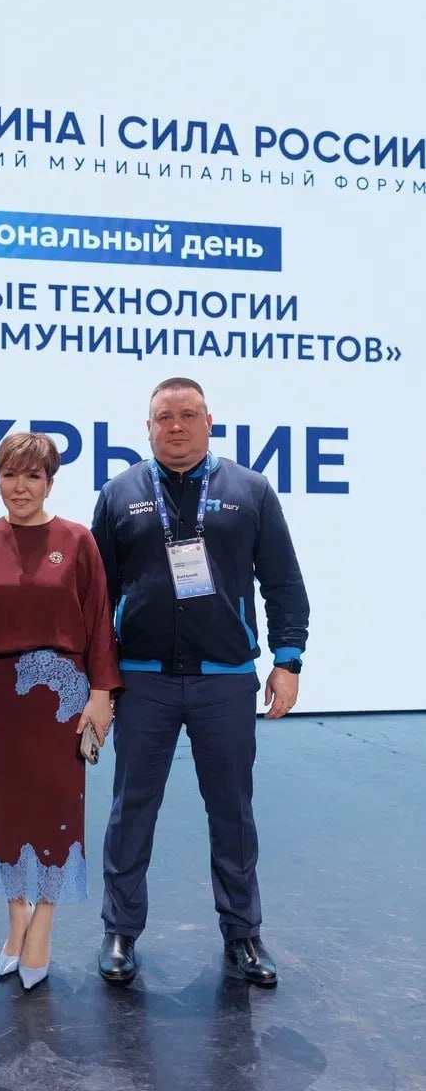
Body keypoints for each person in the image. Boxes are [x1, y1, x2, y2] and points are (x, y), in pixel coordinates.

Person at [92, 377, 309, 989]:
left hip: (226, 681)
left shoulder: (250, 491)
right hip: (142, 681)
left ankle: (243, 932)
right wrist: (100, 681)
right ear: (148, 426)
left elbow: (283, 582)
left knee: (232, 811)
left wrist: (288, 660)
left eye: (188, 415)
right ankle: (120, 931)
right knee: (131, 809)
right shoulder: (119, 494)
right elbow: (96, 596)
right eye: (165, 416)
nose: (177, 426)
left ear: (209, 422)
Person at [0, 432, 121, 990]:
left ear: (49, 483)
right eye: (10, 475)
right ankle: (16, 918)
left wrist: (102, 695)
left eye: (33, 476)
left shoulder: (77, 541)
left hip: (62, 698)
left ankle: (44, 923)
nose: (21, 487)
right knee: (5, 811)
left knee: (58, 809)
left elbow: (100, 622)